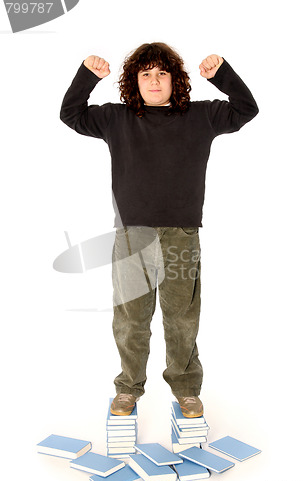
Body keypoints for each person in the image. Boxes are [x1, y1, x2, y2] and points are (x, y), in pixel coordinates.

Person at [60, 42, 259, 418]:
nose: (154, 80)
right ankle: (128, 387)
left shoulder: (201, 116)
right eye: (146, 74)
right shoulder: (116, 119)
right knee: (131, 317)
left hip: (182, 234)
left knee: (182, 316)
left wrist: (222, 76)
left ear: (175, 80)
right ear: (135, 82)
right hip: (133, 236)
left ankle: (186, 388)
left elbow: (246, 109)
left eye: (162, 73)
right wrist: (87, 76)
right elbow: (71, 114)